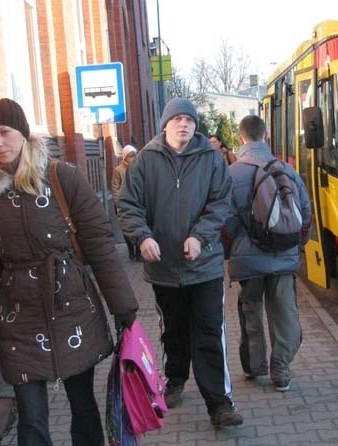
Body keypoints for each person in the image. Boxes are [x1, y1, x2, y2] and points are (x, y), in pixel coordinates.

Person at [0, 98, 139, 446]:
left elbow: (100, 246)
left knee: (83, 407)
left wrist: (124, 307)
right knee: (31, 419)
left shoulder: (61, 177)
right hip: (19, 316)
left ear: (22, 132)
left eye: (4, 132)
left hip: (72, 308)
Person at [118, 97, 243, 427]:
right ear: (165, 124)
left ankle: (219, 403)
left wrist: (200, 237)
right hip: (164, 269)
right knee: (173, 331)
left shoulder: (211, 159)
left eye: (189, 119)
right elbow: (128, 205)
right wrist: (142, 237)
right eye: (177, 119)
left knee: (208, 334)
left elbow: (221, 204)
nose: (184, 124)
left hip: (205, 267)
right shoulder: (145, 160)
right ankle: (174, 380)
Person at [226, 115, 312, 392]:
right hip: (284, 256)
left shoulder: (231, 173)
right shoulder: (287, 170)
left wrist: (232, 250)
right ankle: (281, 368)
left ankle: (254, 366)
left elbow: (223, 219)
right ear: (266, 136)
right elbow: (305, 212)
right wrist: (296, 246)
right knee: (284, 311)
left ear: (241, 138)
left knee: (251, 309)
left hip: (247, 258)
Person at [111, 144, 140, 261]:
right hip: (123, 204)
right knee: (126, 227)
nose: (133, 158)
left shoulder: (139, 167)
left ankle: (138, 252)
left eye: (134, 155)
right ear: (125, 157)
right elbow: (115, 186)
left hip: (137, 203)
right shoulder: (118, 170)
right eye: (130, 156)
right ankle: (130, 251)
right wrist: (119, 200)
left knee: (138, 226)